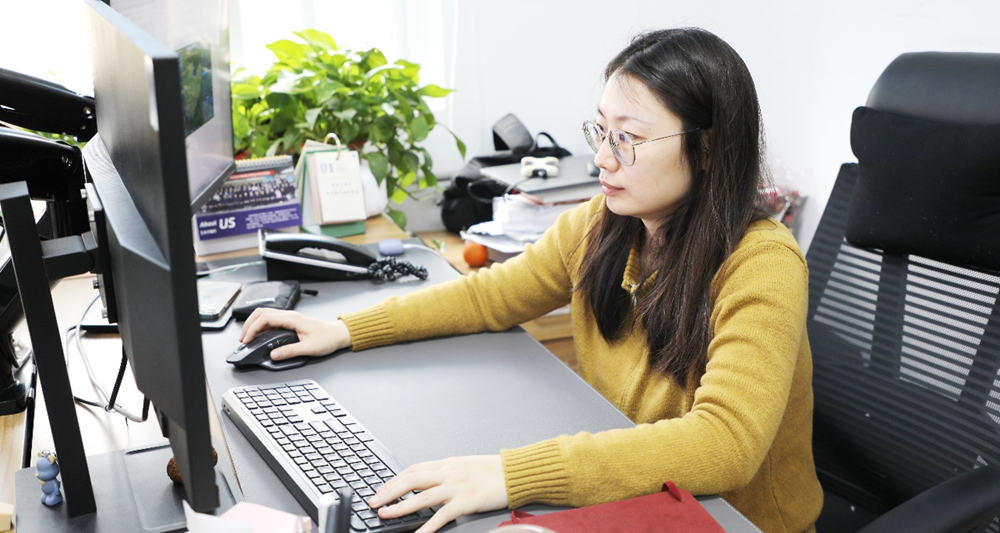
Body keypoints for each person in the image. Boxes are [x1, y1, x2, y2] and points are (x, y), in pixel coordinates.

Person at [241, 27, 823, 533]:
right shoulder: (602, 225)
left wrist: (511, 474)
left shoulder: (763, 263)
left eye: (628, 138)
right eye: (601, 132)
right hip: (636, 495)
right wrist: (344, 329)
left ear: (709, 147)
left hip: (731, 521)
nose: (603, 159)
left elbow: (724, 443)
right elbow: (491, 296)